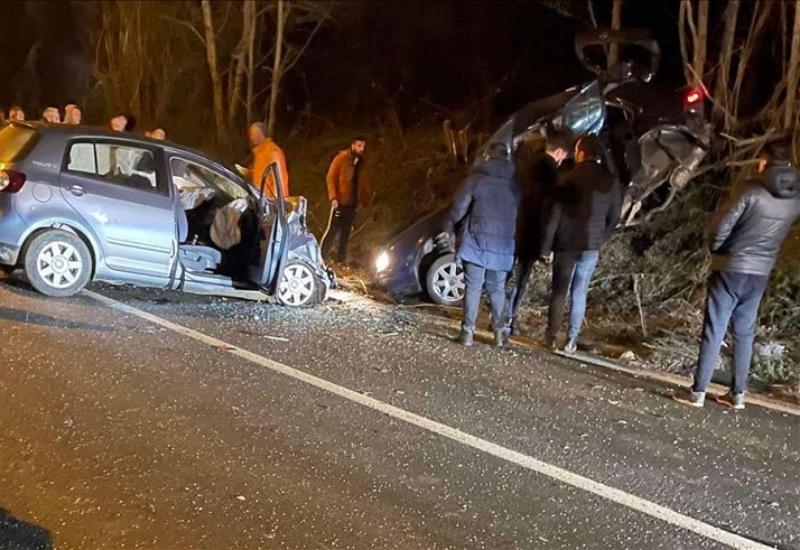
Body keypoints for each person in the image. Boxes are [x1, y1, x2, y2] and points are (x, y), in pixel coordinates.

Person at [674, 141, 800, 410]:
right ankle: (738, 395)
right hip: (760, 272)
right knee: (745, 332)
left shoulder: (750, 190)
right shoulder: (794, 199)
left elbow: (722, 226)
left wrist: (718, 249)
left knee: (715, 327)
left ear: (764, 162)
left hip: (731, 267)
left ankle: (697, 392)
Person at [541, 135, 622, 352]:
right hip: (591, 245)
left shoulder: (569, 177)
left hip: (566, 243)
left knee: (559, 290)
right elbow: (614, 217)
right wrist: (601, 238)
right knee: (580, 291)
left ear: (582, 153)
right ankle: (571, 340)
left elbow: (554, 215)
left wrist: (546, 246)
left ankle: (551, 336)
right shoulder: (610, 181)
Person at [449, 142, 521, 348]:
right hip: (503, 245)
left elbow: (457, 210)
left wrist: (455, 226)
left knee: (473, 287)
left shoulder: (476, 180)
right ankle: (499, 334)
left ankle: (467, 333)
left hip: (476, 242)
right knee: (497, 289)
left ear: (488, 158)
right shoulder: (515, 186)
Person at [503, 130, 572, 335]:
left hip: (513, 226)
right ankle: (510, 318)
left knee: (505, 276)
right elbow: (549, 209)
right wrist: (546, 244)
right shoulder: (551, 173)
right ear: (559, 152)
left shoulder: (525, 164)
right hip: (532, 231)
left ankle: (498, 315)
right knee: (522, 278)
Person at [320, 137, 367, 263]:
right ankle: (321, 256)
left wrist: (362, 199)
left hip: (352, 203)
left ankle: (340, 259)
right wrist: (333, 197)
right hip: (340, 201)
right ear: (352, 145)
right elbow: (330, 177)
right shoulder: (342, 158)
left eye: (363, 146)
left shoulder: (361, 162)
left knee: (346, 232)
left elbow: (360, 182)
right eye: (359, 146)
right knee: (332, 230)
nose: (361, 149)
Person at [246, 122, 289, 198]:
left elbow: (279, 179)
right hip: (262, 198)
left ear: (260, 134)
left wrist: (276, 202)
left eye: (252, 134)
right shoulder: (260, 152)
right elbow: (264, 172)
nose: (251, 138)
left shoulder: (272, 151)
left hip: (270, 201)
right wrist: (249, 172)